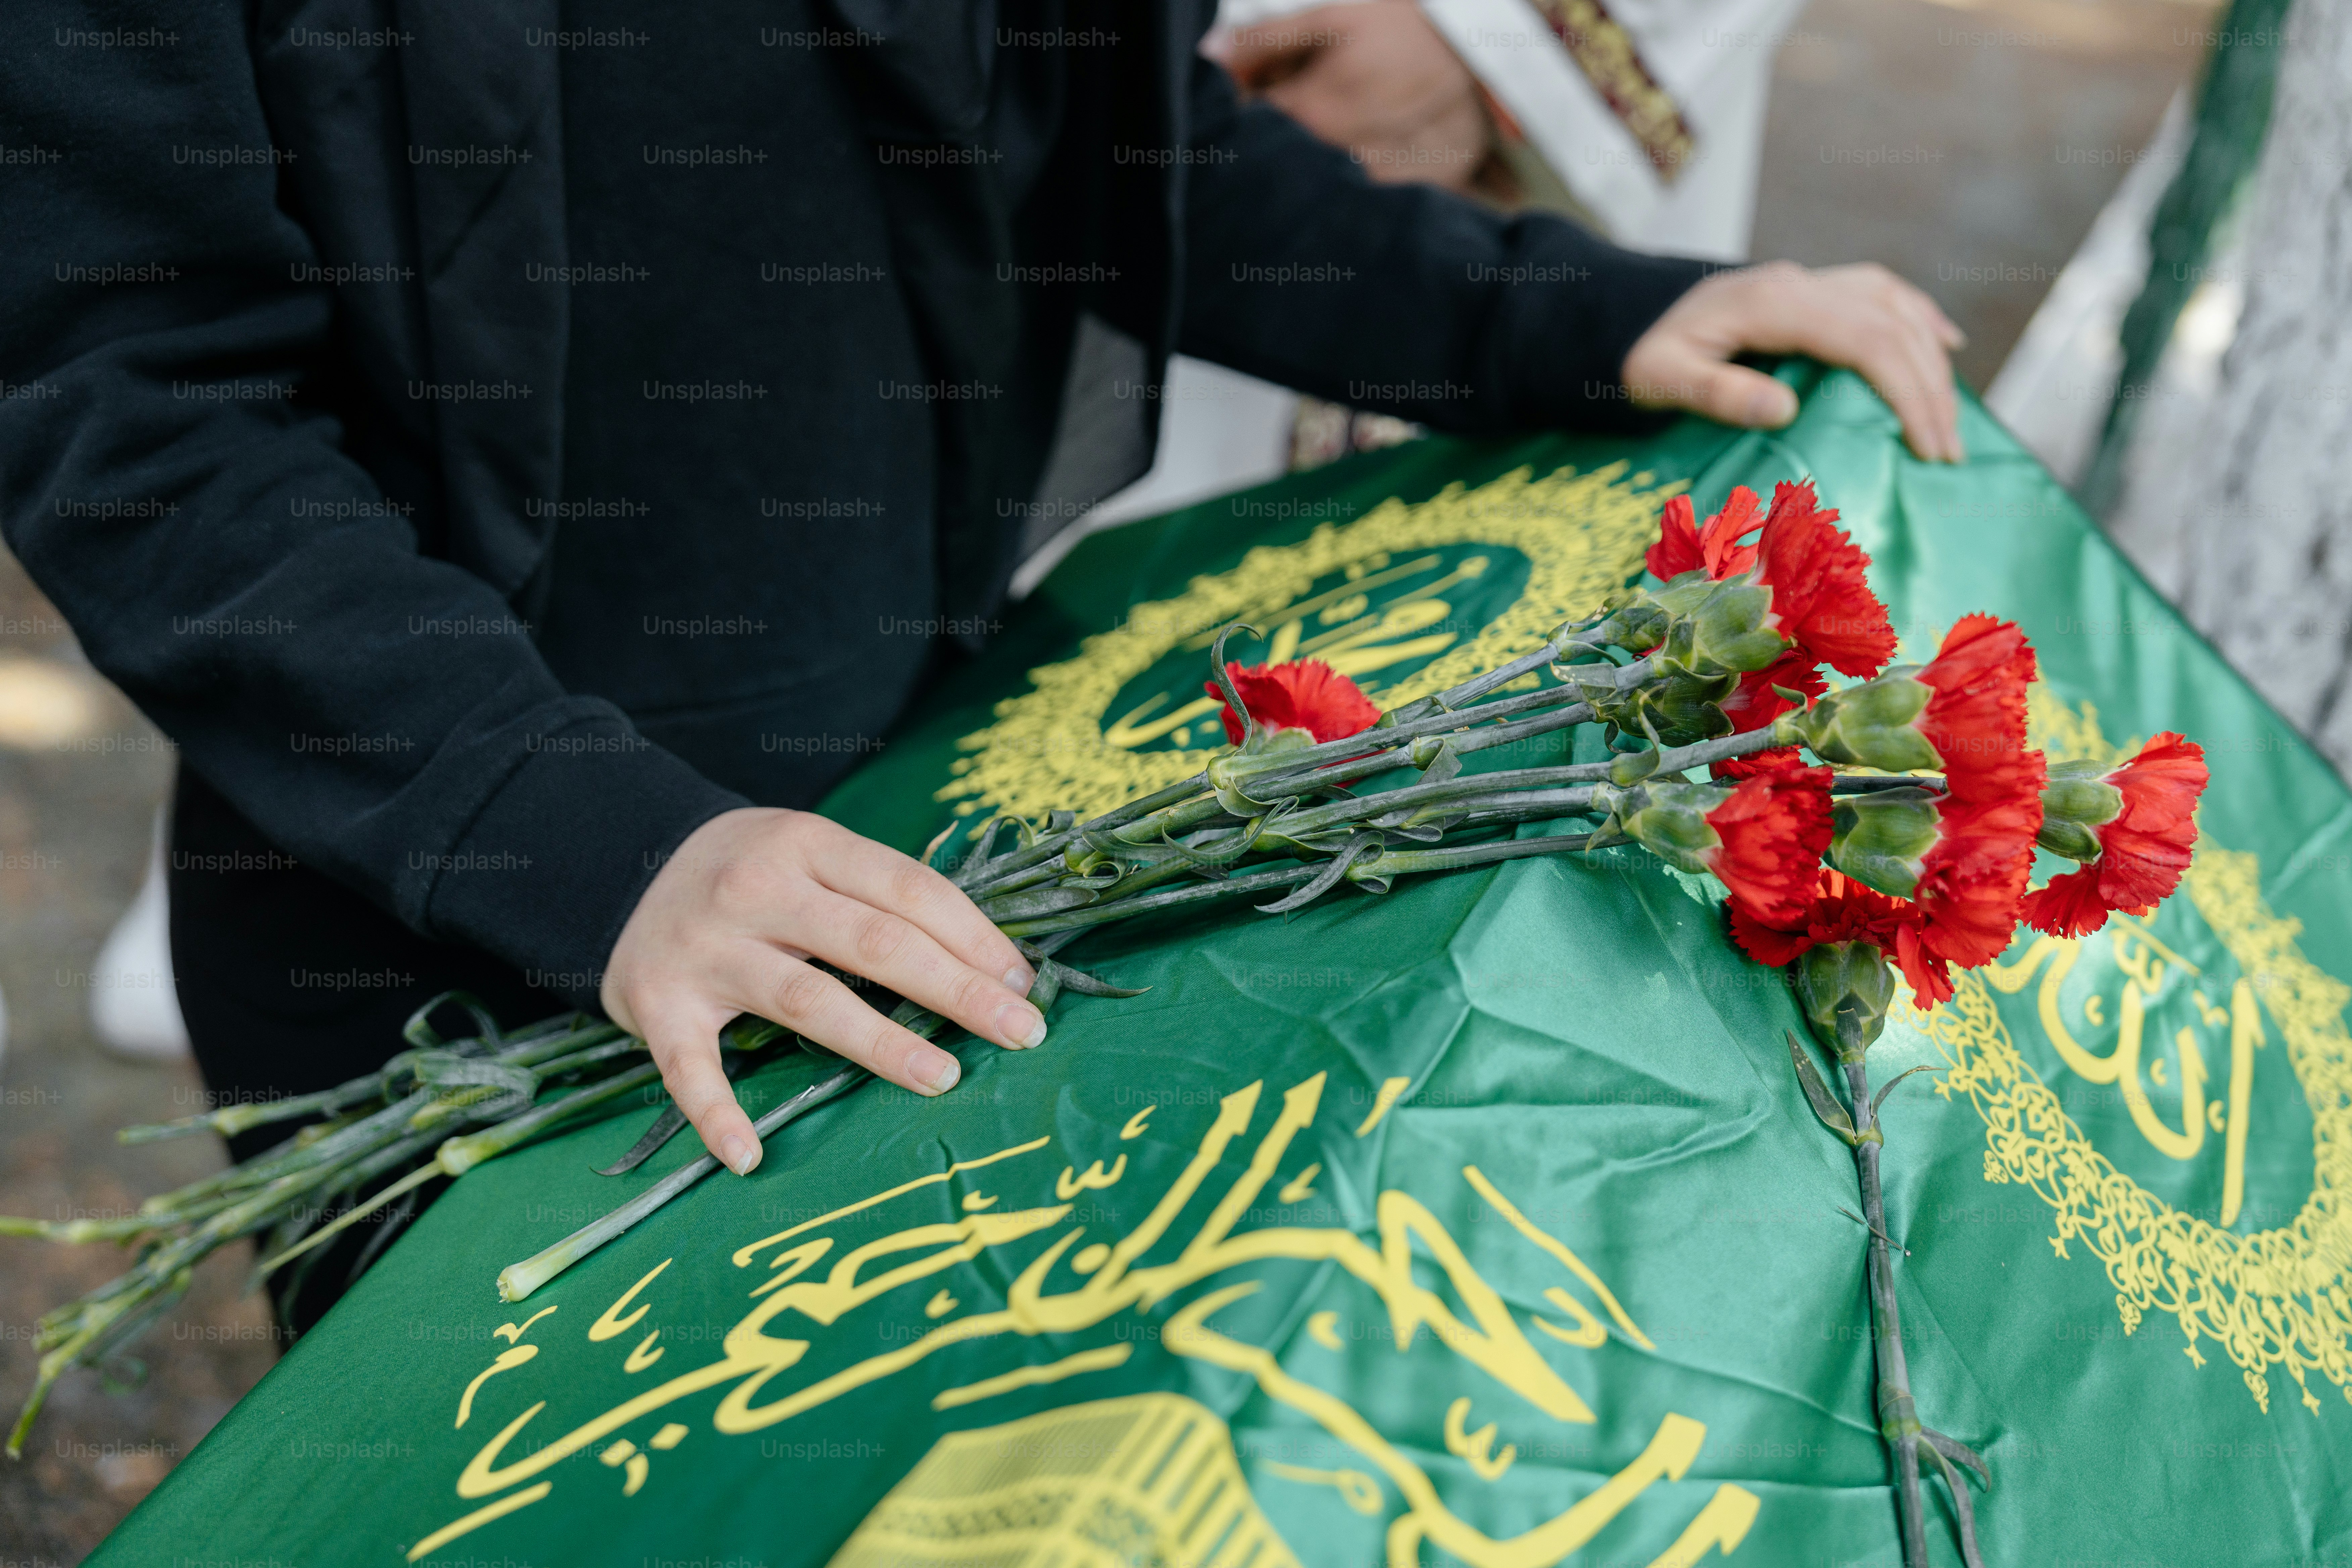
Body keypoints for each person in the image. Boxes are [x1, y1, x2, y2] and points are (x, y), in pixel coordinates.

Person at [0, 3, 1961, 1312]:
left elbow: (1115, 146)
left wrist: (1566, 314)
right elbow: (145, 414)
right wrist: (592, 845)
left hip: (909, 790)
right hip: (440, 903)